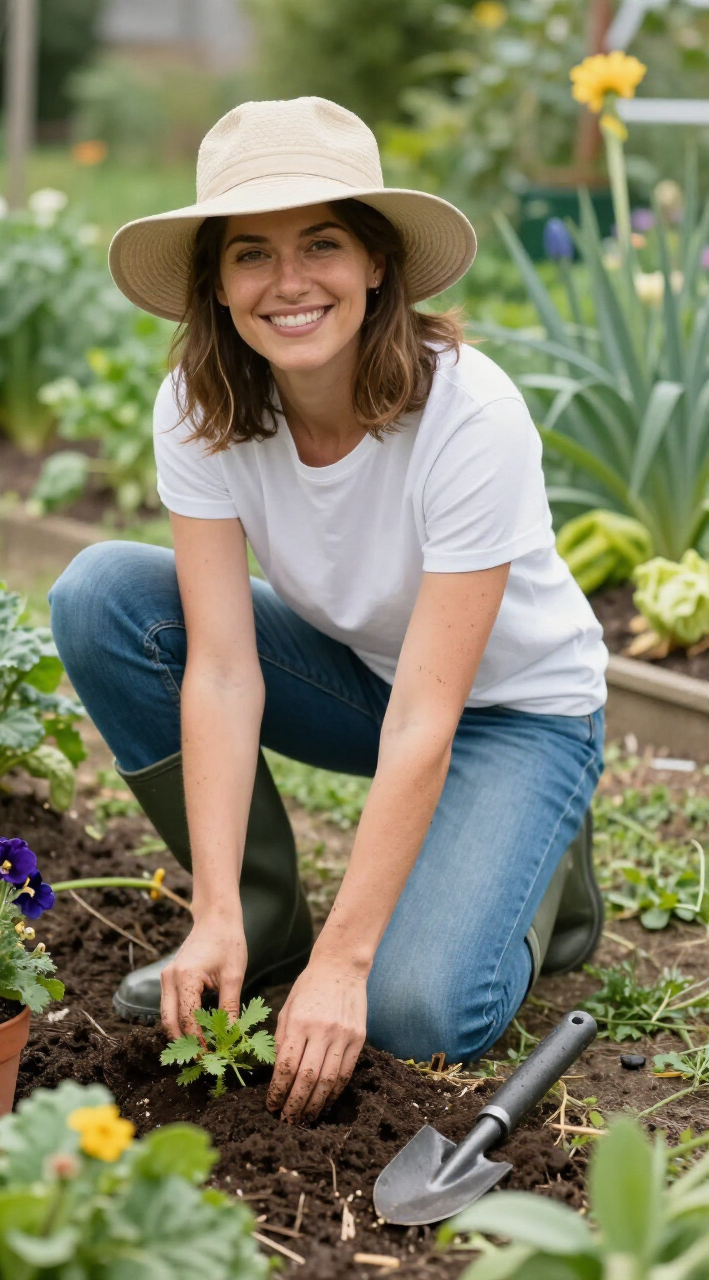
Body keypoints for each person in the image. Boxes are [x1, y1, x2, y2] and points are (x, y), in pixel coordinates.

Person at [49, 96, 608, 1125]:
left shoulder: (466, 414)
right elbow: (219, 666)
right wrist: (208, 906)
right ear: (215, 285)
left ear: (378, 262)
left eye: (322, 243)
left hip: (516, 712)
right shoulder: (201, 406)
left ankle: (552, 877)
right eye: (251, 253)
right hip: (365, 677)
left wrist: (349, 961)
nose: (290, 281)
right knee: (106, 597)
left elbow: (431, 716)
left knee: (411, 1006)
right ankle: (256, 924)